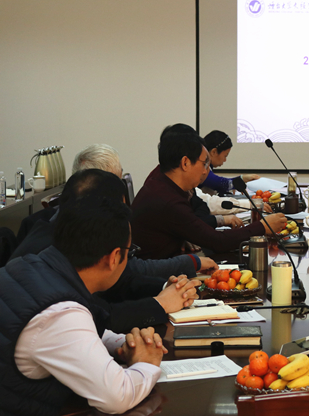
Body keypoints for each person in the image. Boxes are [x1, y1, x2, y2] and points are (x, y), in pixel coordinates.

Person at [0, 196, 165, 416]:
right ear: (114, 257)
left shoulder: (31, 266)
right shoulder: (60, 313)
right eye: (130, 251)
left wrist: (121, 343)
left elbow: (73, 334)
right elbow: (116, 397)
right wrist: (147, 362)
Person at [11, 169, 200, 333]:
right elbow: (100, 316)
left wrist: (167, 288)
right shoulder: (48, 250)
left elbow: (120, 280)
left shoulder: (70, 231)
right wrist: (161, 304)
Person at [131, 125, 287, 259]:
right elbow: (217, 241)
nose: (206, 171)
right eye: (204, 164)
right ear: (185, 163)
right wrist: (262, 227)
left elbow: (200, 209)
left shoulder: (164, 181)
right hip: (160, 275)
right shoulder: (167, 199)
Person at [199, 130, 260, 195]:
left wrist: (240, 179)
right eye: (225, 156)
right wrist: (241, 179)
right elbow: (219, 183)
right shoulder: (201, 167)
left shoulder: (206, 166)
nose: (225, 160)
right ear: (214, 152)